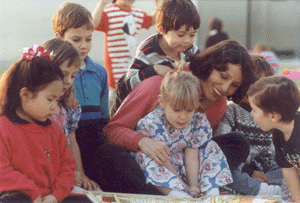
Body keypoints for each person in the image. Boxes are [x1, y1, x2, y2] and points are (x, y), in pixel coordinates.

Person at [92, 39, 257, 195]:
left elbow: (200, 147)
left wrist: (248, 170)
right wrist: (142, 141)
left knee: (238, 143)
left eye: (234, 85)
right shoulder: (160, 85)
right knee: (107, 155)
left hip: (185, 168)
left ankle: (195, 192)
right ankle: (165, 195)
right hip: (147, 164)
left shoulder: (219, 104)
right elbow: (110, 131)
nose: (225, 88)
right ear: (210, 66)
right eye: (223, 76)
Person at [0, 45, 91, 203]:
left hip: (51, 197)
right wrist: (32, 193)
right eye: (50, 99)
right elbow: (2, 171)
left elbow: (67, 167)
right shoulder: (4, 128)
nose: (54, 106)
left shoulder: (54, 129)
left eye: (57, 100)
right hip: (22, 196)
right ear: (26, 94)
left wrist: (55, 196)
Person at [133, 71, 233, 197]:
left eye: (189, 110)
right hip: (165, 168)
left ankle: (210, 192)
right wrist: (184, 187)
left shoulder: (196, 122)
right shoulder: (152, 123)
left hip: (185, 167)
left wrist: (194, 185)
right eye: (176, 110)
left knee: (210, 146)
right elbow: (162, 160)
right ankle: (178, 196)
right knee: (144, 157)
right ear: (162, 101)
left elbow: (191, 156)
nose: (182, 117)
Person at [111, 0, 201, 117]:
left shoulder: (189, 48)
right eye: (181, 35)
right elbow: (129, 83)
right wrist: (155, 69)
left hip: (168, 109)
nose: (188, 40)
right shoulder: (148, 51)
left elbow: (203, 68)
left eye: (192, 35)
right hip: (133, 108)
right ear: (161, 29)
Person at [52, 2, 109, 178]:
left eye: (88, 39)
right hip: (67, 139)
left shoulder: (99, 71)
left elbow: (104, 112)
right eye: (76, 40)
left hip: (94, 138)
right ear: (59, 37)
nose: (84, 45)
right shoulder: (54, 70)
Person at [214, 55, 282, 196]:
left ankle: (269, 187)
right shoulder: (232, 111)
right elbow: (223, 153)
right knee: (227, 174)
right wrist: (249, 171)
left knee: (289, 168)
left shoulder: (270, 115)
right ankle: (262, 190)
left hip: (263, 170)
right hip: (239, 169)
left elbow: (270, 153)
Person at [42, 38, 100, 192]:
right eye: (63, 74)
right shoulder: (36, 109)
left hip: (67, 172)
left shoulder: (69, 107)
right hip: (45, 175)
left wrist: (80, 173)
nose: (68, 81)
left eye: (73, 76)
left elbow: (72, 143)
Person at [92, 0, 160, 105]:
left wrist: (159, 4)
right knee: (113, 105)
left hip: (131, 70)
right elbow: (94, 24)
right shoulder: (110, 11)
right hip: (114, 72)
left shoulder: (136, 13)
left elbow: (152, 20)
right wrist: (102, 3)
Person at [247, 76, 300, 202]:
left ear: (273, 116)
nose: (251, 114)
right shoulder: (278, 133)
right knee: (288, 195)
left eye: (254, 110)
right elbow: (288, 169)